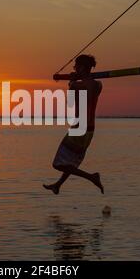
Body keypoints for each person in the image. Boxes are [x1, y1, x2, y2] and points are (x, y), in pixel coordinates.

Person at [43, 54, 104, 195]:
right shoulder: (97, 84)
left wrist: (71, 83)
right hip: (89, 130)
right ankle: (58, 185)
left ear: (82, 67)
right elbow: (89, 89)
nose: (74, 68)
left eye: (76, 66)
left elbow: (70, 103)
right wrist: (76, 80)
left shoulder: (77, 85)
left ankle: (92, 177)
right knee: (71, 162)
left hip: (79, 129)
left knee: (58, 164)